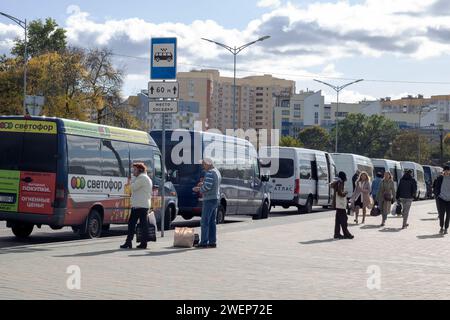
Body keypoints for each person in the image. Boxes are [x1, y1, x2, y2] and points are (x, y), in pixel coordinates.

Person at [120, 163, 153, 249]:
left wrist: (132, 180)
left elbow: (132, 187)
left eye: (134, 170)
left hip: (140, 206)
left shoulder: (142, 178)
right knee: (141, 225)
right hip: (141, 205)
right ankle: (140, 243)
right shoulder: (145, 178)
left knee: (133, 224)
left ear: (140, 170)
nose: (133, 172)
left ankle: (132, 242)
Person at [193, 158, 222, 249]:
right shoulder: (217, 172)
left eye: (204, 164)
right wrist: (203, 184)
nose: (203, 166)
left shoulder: (209, 172)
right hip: (215, 198)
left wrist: (199, 189)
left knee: (204, 221)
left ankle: (204, 242)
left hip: (209, 199)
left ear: (209, 164)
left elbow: (208, 186)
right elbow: (212, 184)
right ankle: (212, 242)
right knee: (212, 222)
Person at [331, 172, 354, 240]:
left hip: (337, 204)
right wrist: (345, 193)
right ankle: (346, 234)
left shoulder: (337, 182)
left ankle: (337, 234)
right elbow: (340, 193)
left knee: (338, 220)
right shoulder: (341, 182)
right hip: (340, 204)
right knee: (344, 219)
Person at [432, 166, 450, 235]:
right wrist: (437, 195)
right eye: (445, 170)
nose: (447, 172)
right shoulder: (440, 178)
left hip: (449, 200)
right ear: (443, 171)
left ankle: (446, 228)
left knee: (448, 215)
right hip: (441, 198)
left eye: (448, 170)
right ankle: (441, 227)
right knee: (441, 214)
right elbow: (436, 187)